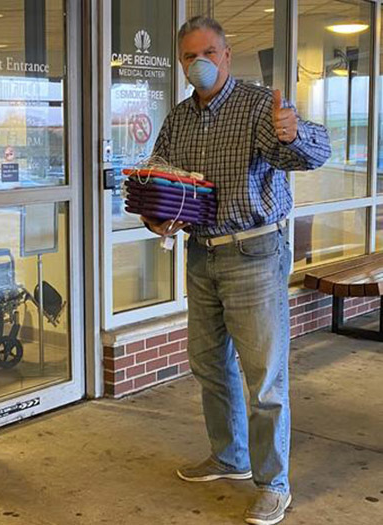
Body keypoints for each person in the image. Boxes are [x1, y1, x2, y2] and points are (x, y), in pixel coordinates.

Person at [144, 17, 331, 525]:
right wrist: (155, 211)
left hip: (254, 252)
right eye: (188, 56)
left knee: (264, 379)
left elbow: (313, 151)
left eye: (207, 52)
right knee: (209, 364)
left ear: (226, 55)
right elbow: (161, 175)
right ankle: (229, 456)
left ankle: (273, 484)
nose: (198, 63)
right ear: (181, 64)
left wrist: (296, 133)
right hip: (201, 253)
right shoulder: (179, 119)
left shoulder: (256, 107)